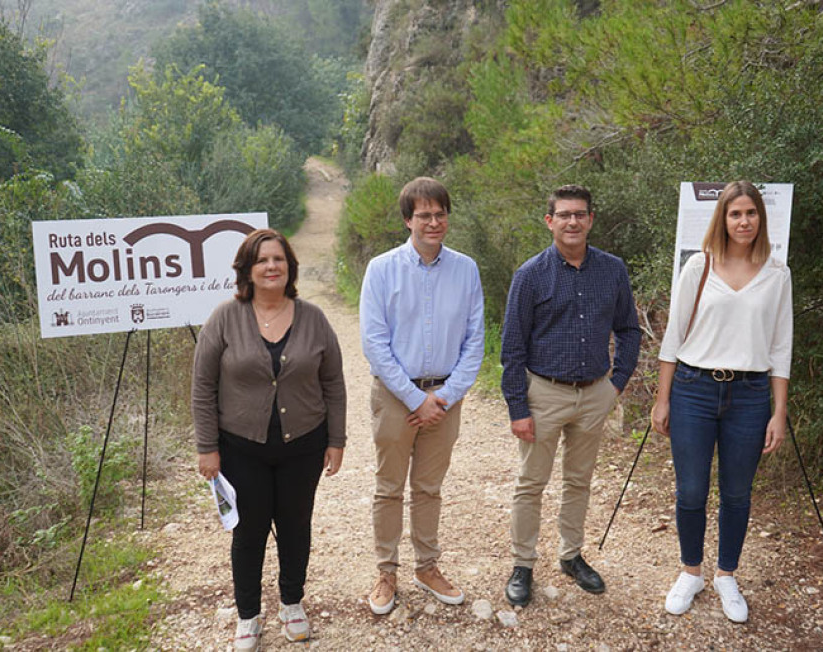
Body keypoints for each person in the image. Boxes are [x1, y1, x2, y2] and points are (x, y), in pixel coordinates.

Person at [192, 229, 346, 650]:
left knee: (296, 526)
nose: (271, 266)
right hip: (242, 448)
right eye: (262, 260)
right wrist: (207, 447)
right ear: (248, 269)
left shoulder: (313, 318)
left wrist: (337, 439)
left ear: (289, 267)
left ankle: (292, 603)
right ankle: (248, 616)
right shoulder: (225, 317)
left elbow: (333, 381)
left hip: (304, 445)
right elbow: (203, 386)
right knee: (249, 532)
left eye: (278, 259)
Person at [651, 181, 792, 624]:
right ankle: (691, 571)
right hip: (693, 389)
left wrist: (779, 412)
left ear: (761, 219)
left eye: (751, 213)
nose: (744, 221)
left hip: (749, 396)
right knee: (691, 490)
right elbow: (673, 337)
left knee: (737, 493)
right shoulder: (699, 266)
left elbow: (781, 347)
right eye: (735, 214)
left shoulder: (777, 273)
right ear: (722, 219)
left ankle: (726, 574)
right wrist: (662, 399)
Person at [501, 184, 641, 607]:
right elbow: (512, 348)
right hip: (544, 393)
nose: (572, 221)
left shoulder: (612, 270)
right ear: (550, 221)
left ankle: (571, 555)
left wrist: (615, 385)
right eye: (564, 214)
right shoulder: (530, 275)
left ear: (591, 219)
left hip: (594, 392)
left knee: (579, 481)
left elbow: (629, 330)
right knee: (531, 483)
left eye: (580, 214)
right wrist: (518, 407)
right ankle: (522, 563)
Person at [359, 177, 485, 615]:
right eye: (424, 214)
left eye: (440, 213)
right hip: (397, 396)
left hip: (446, 397)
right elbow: (374, 343)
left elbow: (475, 342)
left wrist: (445, 397)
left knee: (429, 488)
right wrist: (416, 401)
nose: (434, 222)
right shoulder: (381, 269)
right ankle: (386, 572)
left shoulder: (466, 269)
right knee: (389, 487)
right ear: (407, 220)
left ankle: (427, 567)